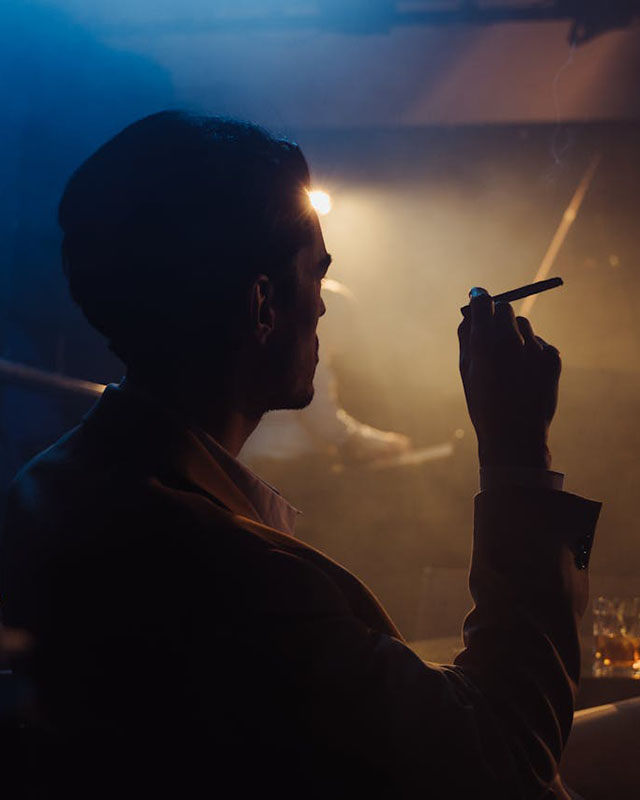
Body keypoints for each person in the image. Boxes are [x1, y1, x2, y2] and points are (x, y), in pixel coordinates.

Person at [0, 112, 601, 799]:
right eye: (316, 276)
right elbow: (504, 758)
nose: (321, 310)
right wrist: (518, 449)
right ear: (263, 306)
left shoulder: (45, 489)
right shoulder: (233, 575)